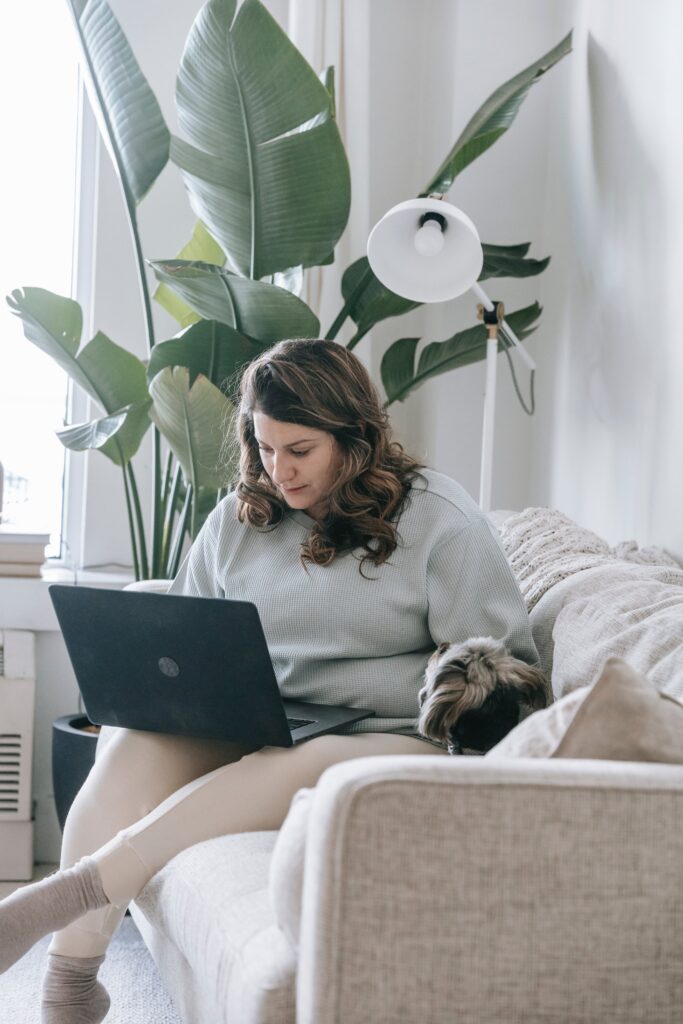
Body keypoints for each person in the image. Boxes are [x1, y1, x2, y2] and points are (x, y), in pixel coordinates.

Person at [0, 338, 538, 1022]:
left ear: (354, 438)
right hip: (257, 712)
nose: (277, 470)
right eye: (264, 447)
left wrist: (448, 691)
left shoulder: (441, 521)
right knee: (135, 750)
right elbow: (186, 627)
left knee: (294, 760)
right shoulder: (240, 517)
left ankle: (65, 895)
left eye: (299, 450)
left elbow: (503, 670)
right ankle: (71, 985)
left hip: (392, 733)